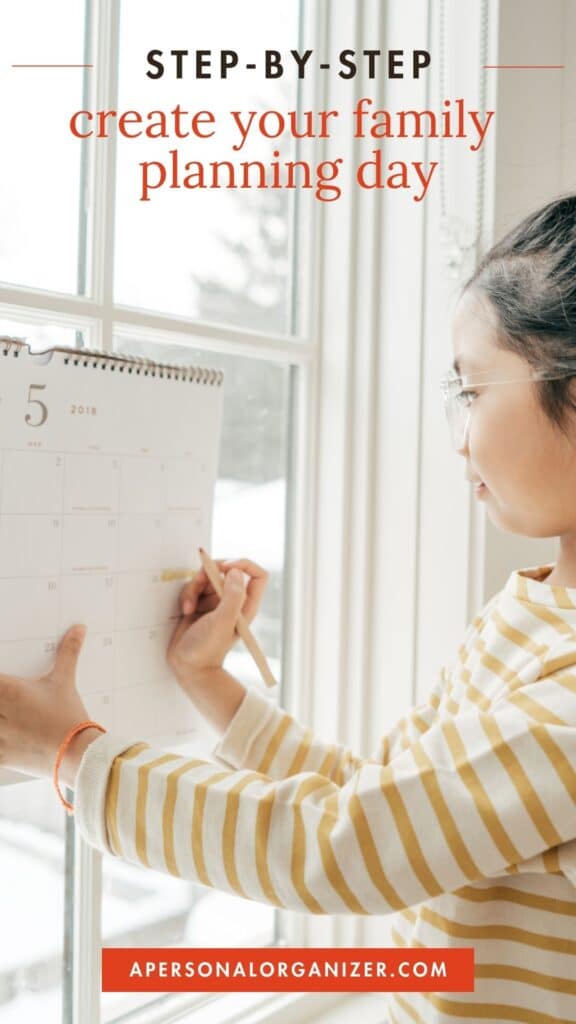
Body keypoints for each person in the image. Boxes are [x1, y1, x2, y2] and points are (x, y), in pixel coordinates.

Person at [2, 193, 576, 1023]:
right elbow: (384, 802)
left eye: (472, 389)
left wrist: (73, 756)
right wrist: (211, 684)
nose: (458, 437)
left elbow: (342, 848)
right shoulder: (529, 610)